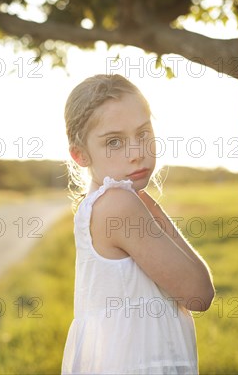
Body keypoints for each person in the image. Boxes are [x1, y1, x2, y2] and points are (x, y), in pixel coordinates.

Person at [61, 74, 215, 374]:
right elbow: (200, 293)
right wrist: (150, 205)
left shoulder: (105, 203)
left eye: (143, 133)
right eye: (114, 142)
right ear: (79, 154)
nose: (137, 153)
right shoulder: (119, 205)